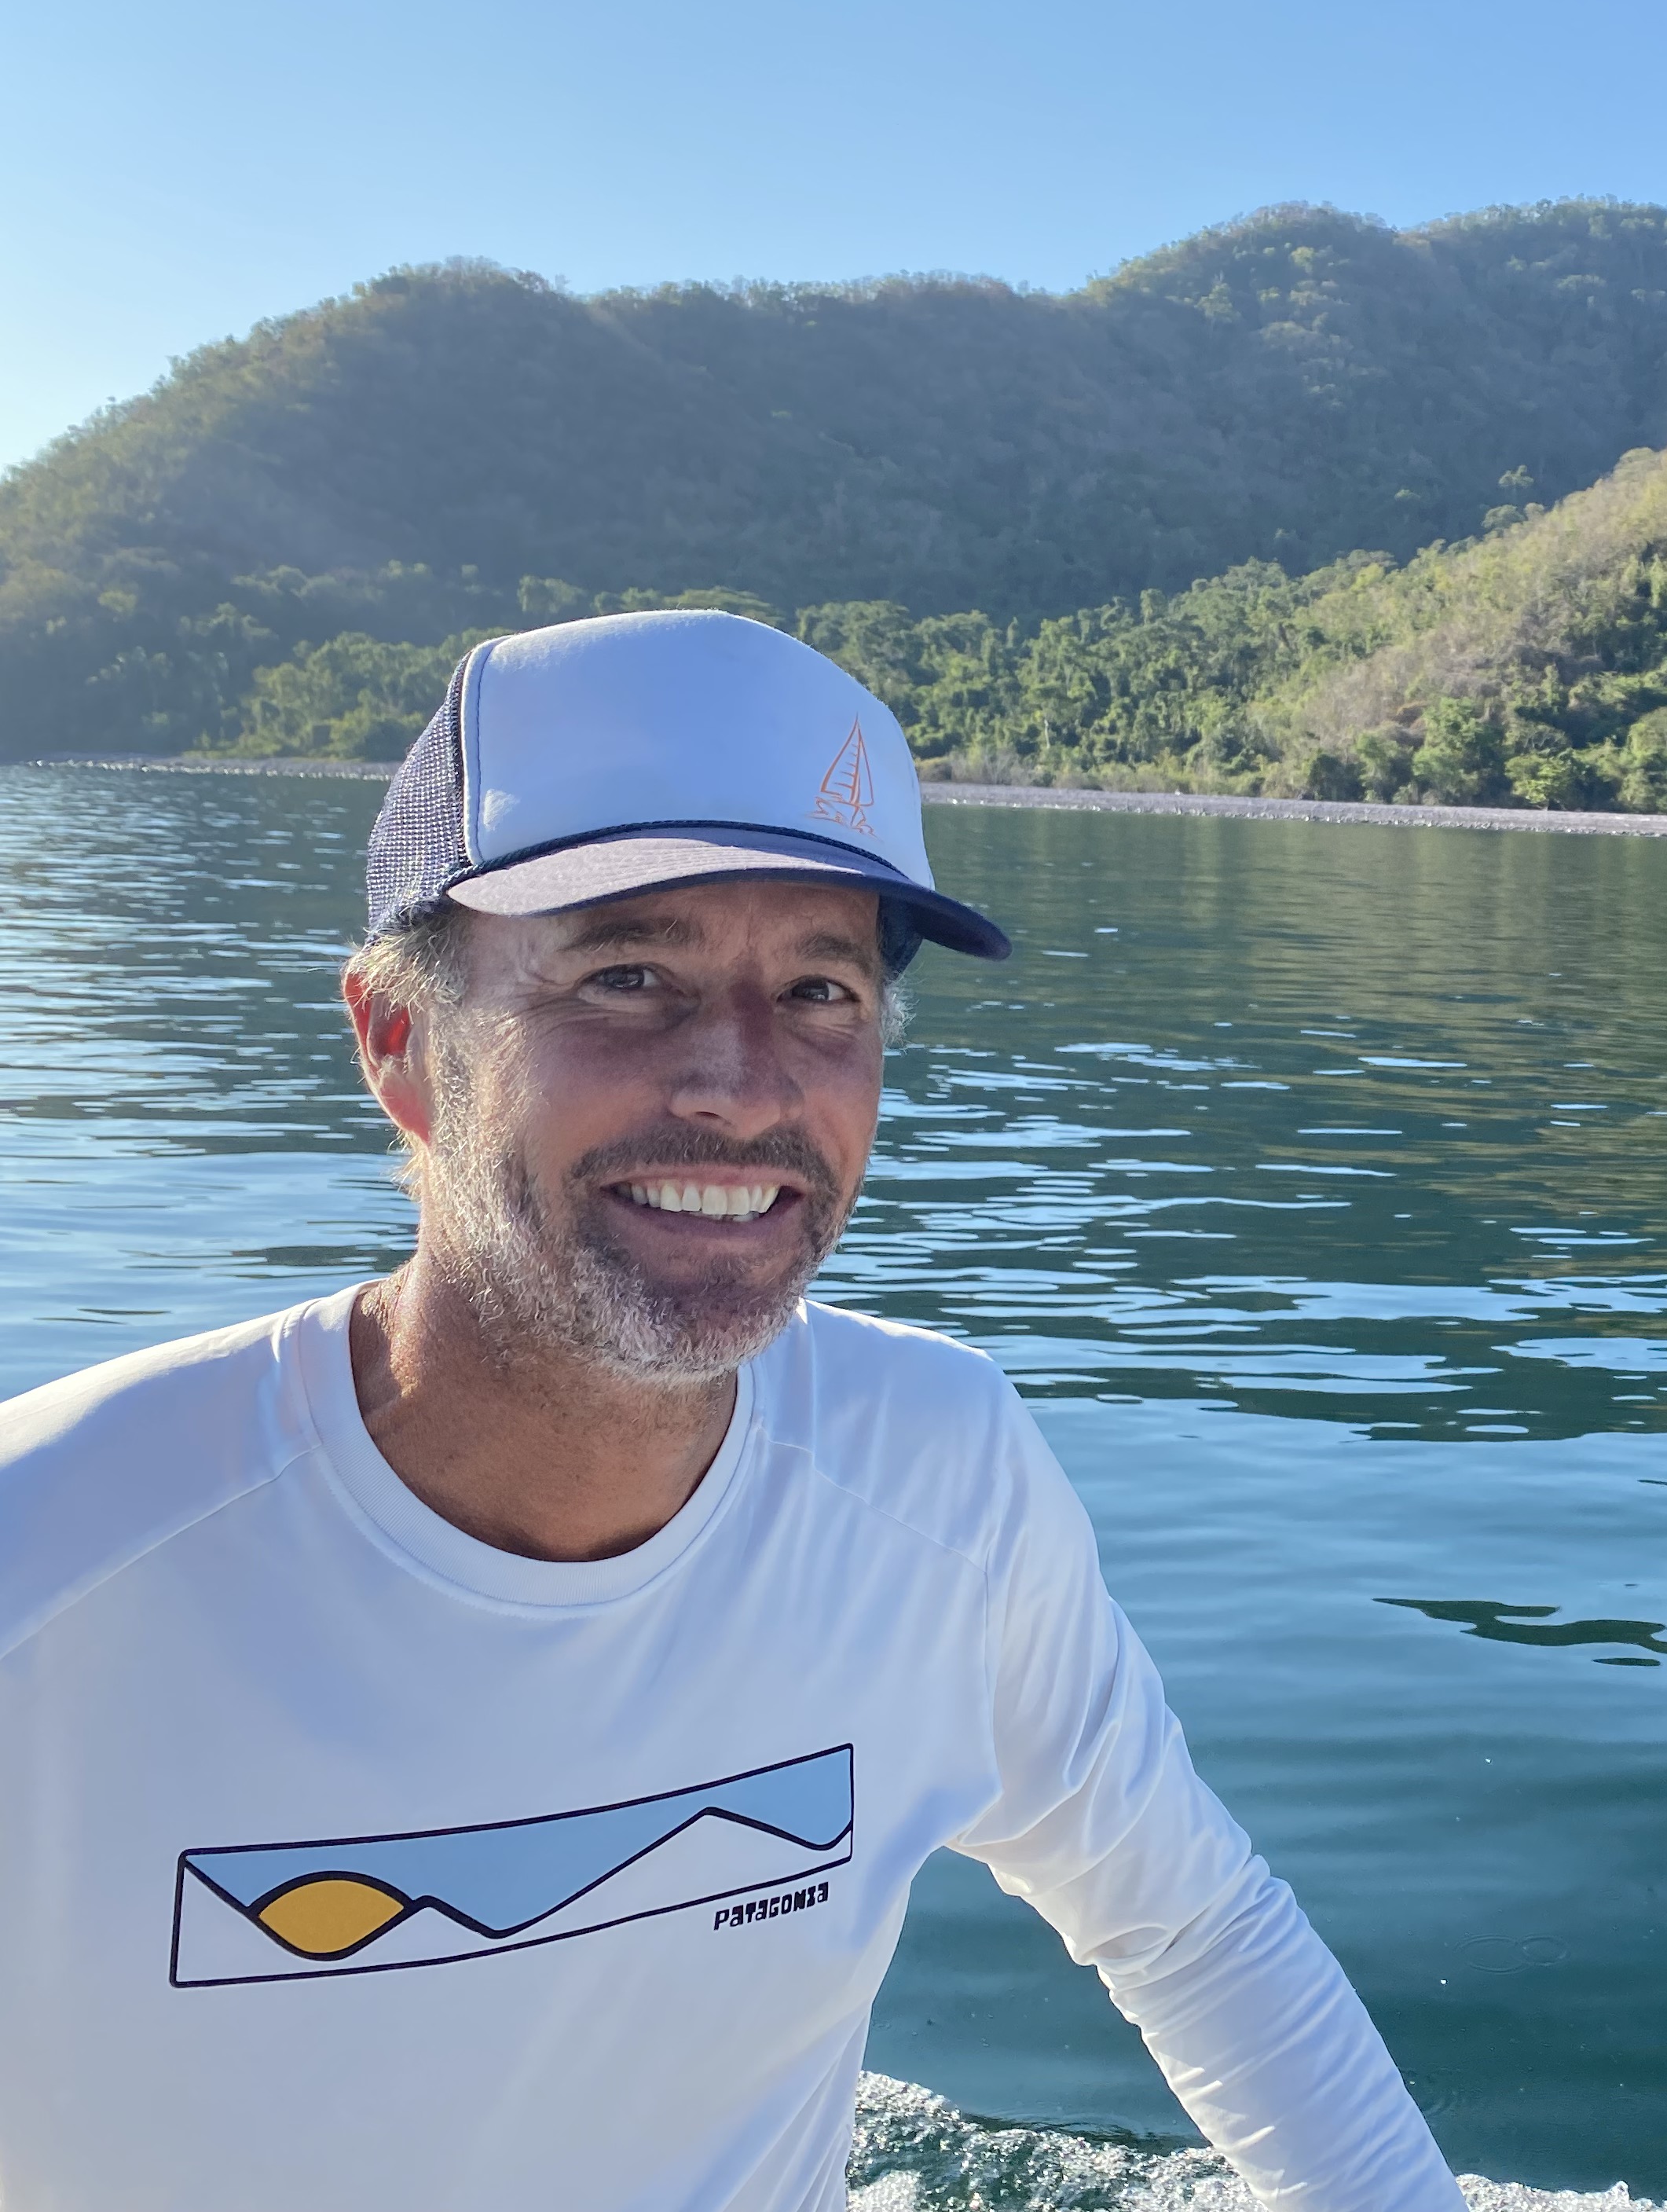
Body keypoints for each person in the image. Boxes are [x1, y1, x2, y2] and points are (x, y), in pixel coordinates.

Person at [0, 610, 1466, 2212]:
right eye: (628, 976)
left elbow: (1193, 1925)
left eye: (823, 990)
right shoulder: (55, 1562)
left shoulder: (937, 1474)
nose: (746, 1084)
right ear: (401, 1044)